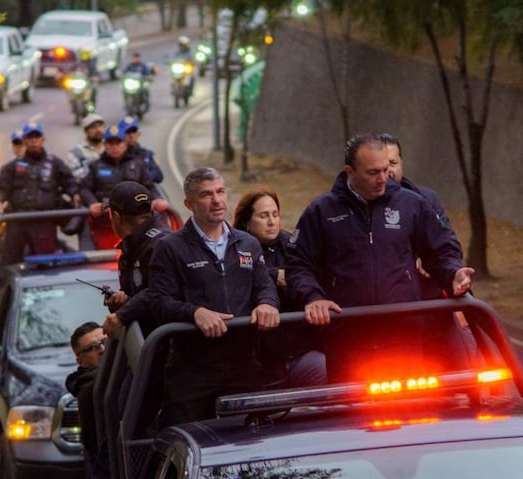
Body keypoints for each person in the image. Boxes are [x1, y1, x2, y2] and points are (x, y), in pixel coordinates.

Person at [285, 133, 474, 381]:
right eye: (373, 172)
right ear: (349, 171)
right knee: (352, 416)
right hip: (348, 339)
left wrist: (454, 272)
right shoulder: (321, 211)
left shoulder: (411, 204)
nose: (383, 178)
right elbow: (298, 264)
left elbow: (441, 249)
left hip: (403, 336)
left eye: (386, 169)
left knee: (406, 414)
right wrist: (313, 297)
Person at [148, 167, 280, 427]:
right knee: (191, 441)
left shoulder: (247, 243)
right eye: (206, 195)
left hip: (243, 364)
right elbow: (159, 301)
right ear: (189, 203)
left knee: (253, 444)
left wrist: (268, 303)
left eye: (220, 191)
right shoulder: (169, 247)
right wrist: (195, 312)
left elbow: (264, 285)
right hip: (193, 368)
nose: (217, 200)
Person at [232, 187, 326, 388]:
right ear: (247, 221)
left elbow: (310, 272)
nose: (272, 221)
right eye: (263, 216)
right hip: (258, 358)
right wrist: (274, 276)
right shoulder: (235, 247)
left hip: (300, 351)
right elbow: (239, 278)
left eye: (275, 214)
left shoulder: (291, 243)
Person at [379, 132, 461, 300]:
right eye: (379, 166)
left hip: (425, 301)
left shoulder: (427, 200)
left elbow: (447, 245)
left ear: (401, 162)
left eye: (392, 163)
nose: (387, 172)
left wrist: (452, 271)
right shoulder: (346, 208)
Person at [0, 122, 81, 266]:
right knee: (8, 266)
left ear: (43, 139)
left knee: (47, 266)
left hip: (44, 222)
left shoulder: (55, 164)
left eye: (37, 137)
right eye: (30, 138)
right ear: (24, 141)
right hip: (17, 222)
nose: (34, 141)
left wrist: (75, 193)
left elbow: (70, 182)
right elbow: (1, 187)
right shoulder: (12, 166)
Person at [57, 322, 113, 479]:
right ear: (79, 360)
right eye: (92, 347)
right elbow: (97, 452)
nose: (101, 349)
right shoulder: (92, 389)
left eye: (104, 342)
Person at [79, 123, 168, 250]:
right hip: (105, 224)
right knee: (105, 262)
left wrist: (157, 199)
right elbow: (84, 188)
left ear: (125, 144)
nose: (114, 147)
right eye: (110, 143)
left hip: (137, 225)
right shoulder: (94, 166)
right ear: (105, 145)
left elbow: (150, 186)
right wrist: (92, 203)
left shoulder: (138, 164)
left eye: (118, 143)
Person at [102, 182, 170, 339]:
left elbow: (160, 291)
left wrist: (123, 314)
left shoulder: (161, 244)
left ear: (116, 217)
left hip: (167, 347)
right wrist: (124, 303)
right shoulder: (132, 247)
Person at [119, 116, 164, 184]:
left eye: (133, 131)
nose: (131, 135)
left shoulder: (146, 154)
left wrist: (143, 177)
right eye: (127, 132)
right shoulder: (115, 155)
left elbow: (158, 175)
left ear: (138, 134)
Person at [66, 113, 107, 180]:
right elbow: (79, 177)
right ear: (85, 131)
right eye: (93, 127)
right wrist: (107, 173)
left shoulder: (111, 148)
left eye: (100, 126)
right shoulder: (75, 153)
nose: (98, 130)